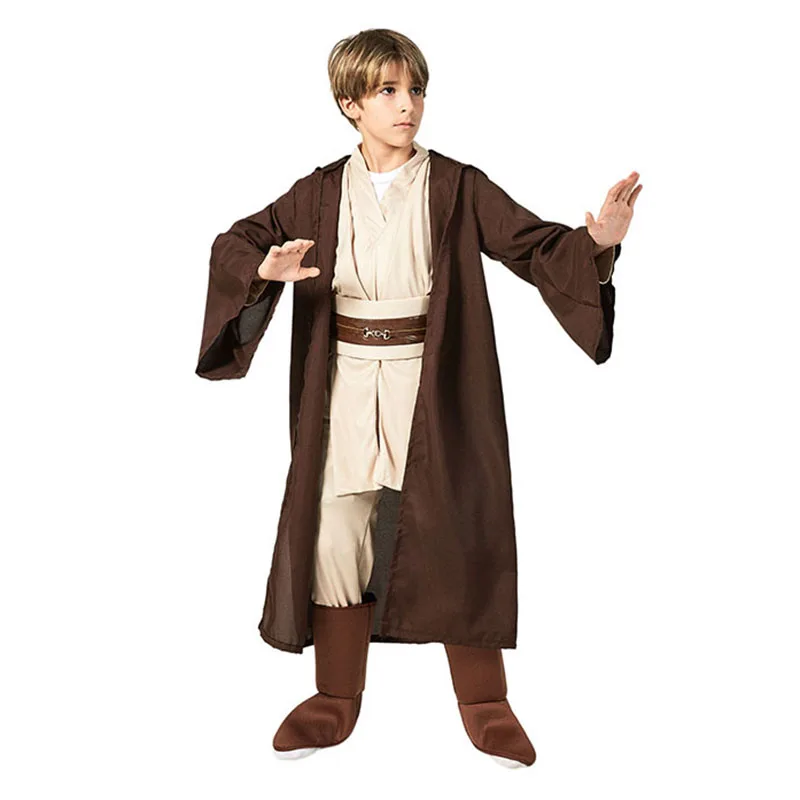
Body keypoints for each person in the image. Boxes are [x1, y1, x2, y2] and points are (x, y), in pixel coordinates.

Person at [195, 28, 641, 768]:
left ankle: (485, 701)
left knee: (455, 526)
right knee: (333, 533)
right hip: (342, 384)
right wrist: (265, 269)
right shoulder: (318, 192)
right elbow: (237, 241)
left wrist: (596, 244)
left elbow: (533, 246)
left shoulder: (457, 185)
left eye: (416, 90)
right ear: (351, 104)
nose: (408, 106)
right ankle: (335, 695)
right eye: (388, 91)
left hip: (431, 382)